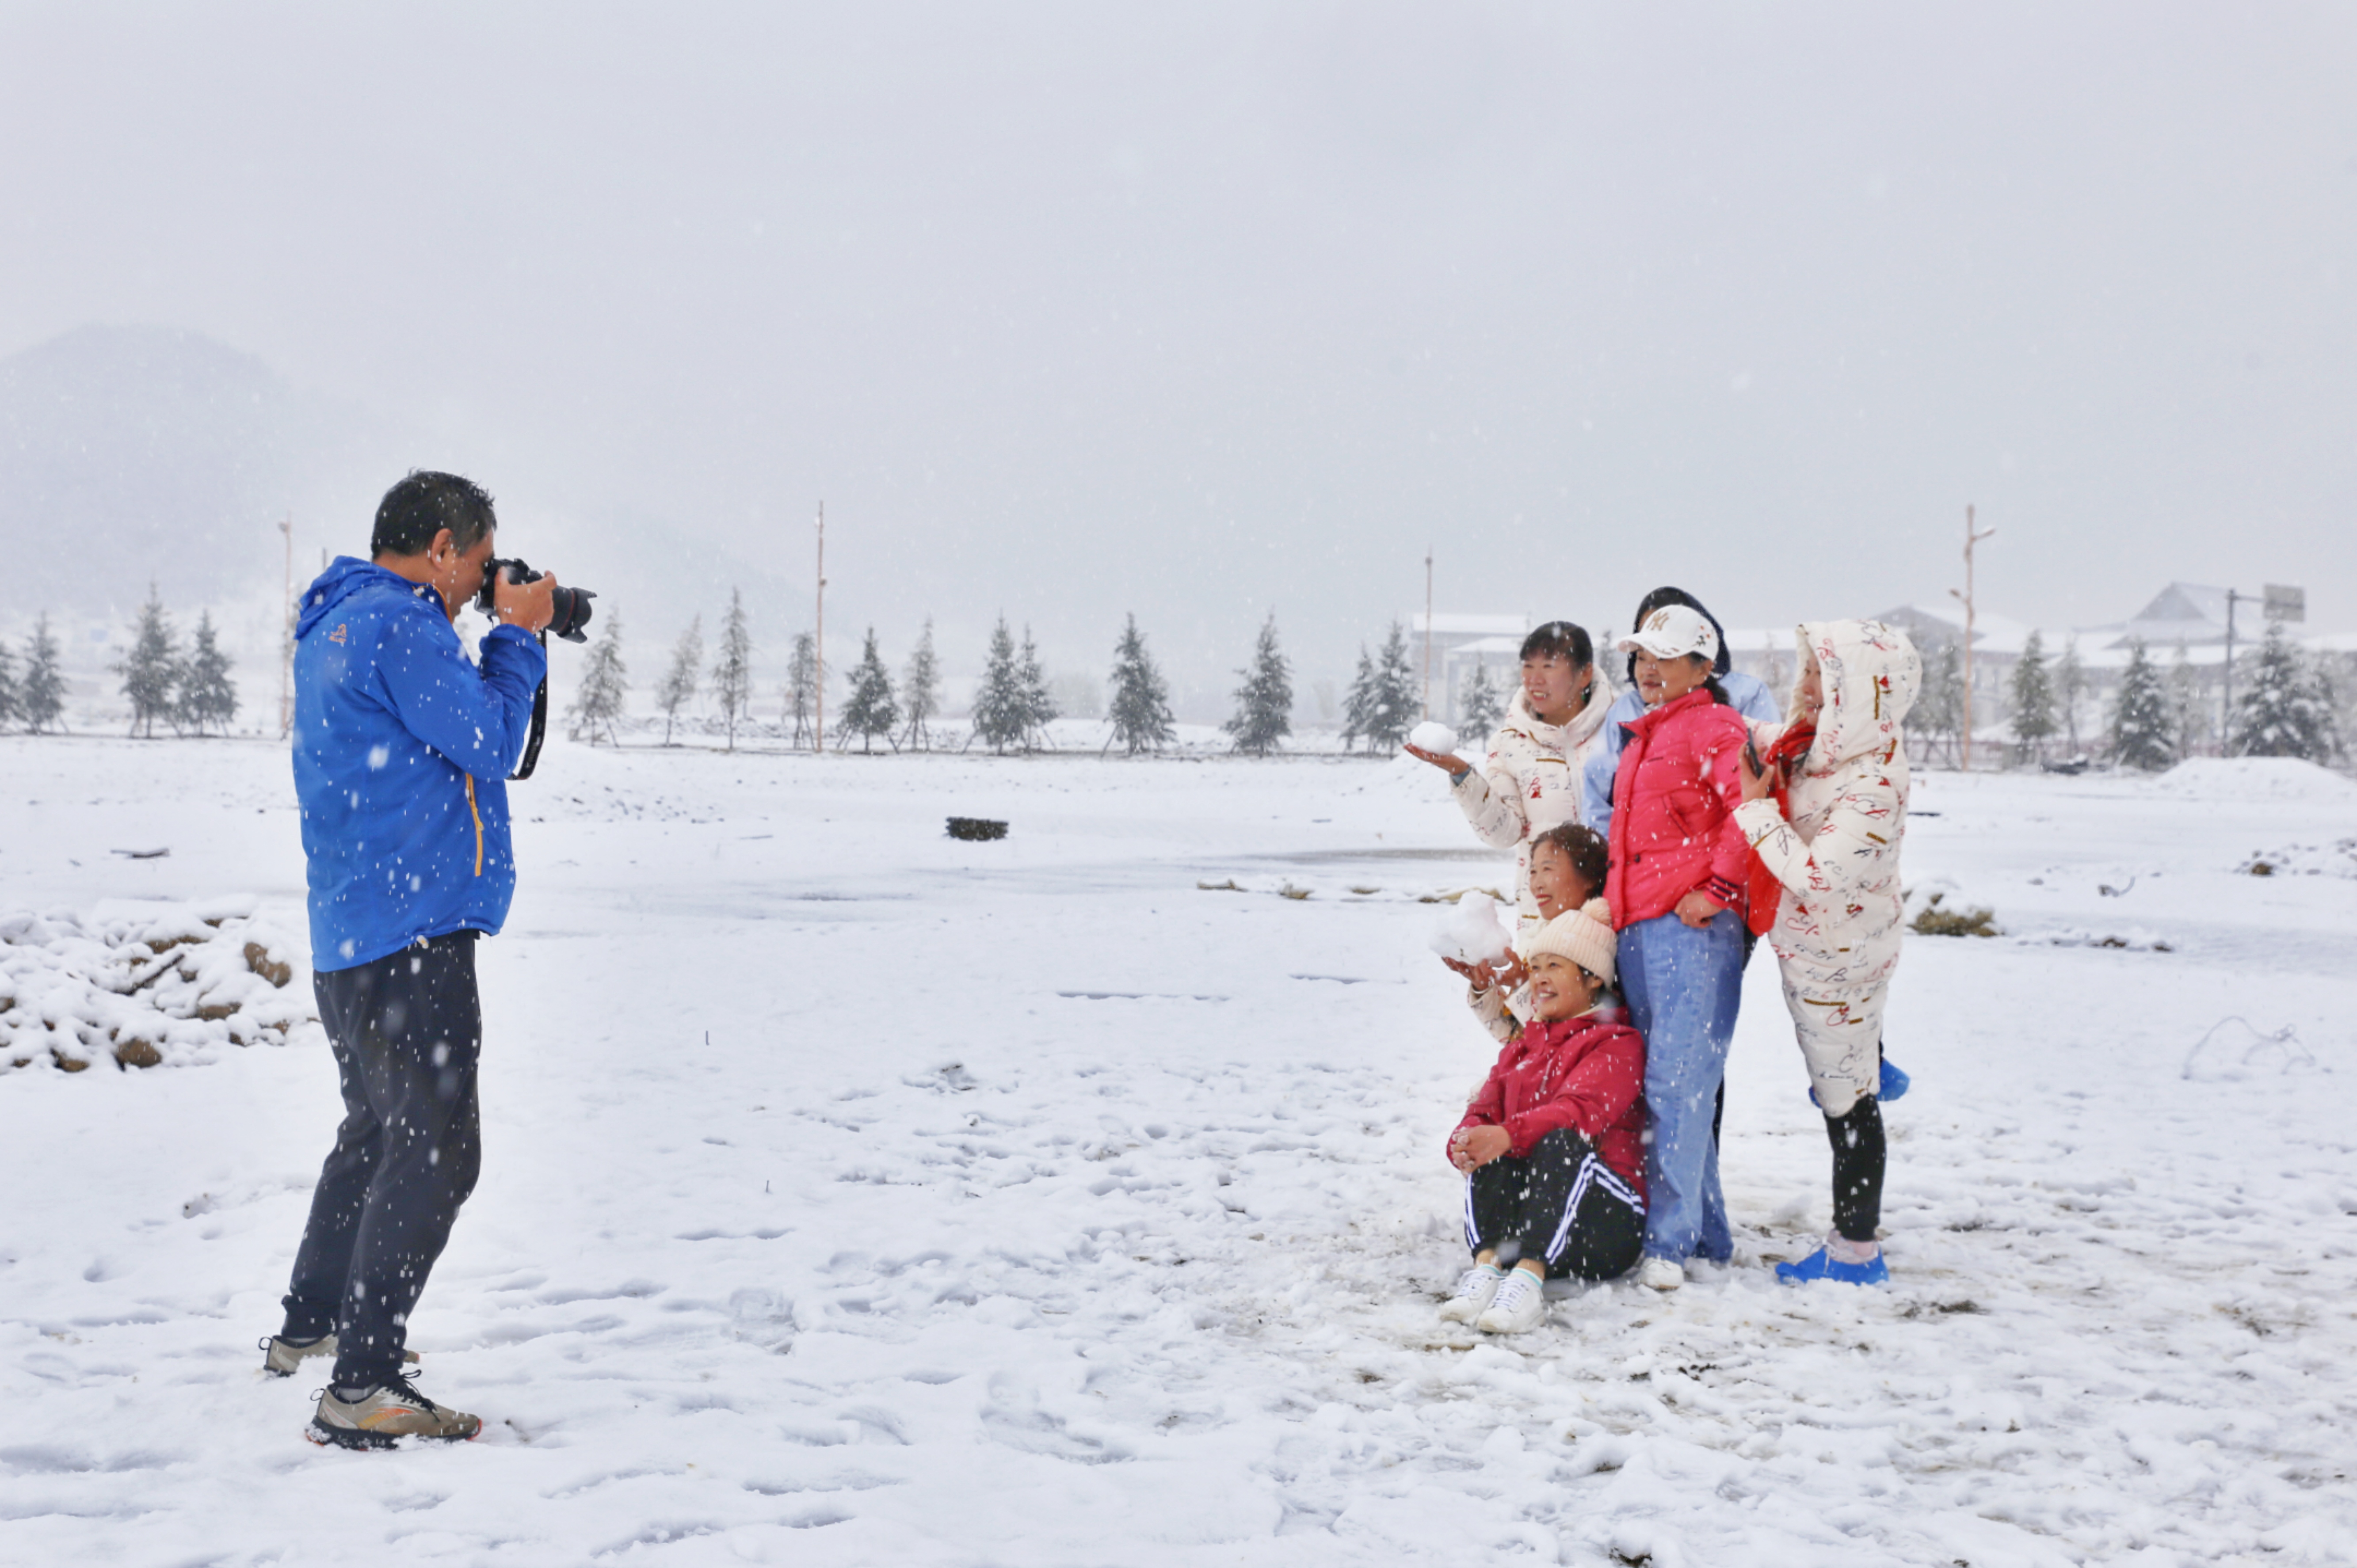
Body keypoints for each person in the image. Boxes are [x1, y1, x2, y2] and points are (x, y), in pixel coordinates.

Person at [260, 471, 557, 1448]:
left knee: (375, 1132)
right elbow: (493, 739)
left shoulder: (340, 622)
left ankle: (314, 1322)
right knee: (438, 1152)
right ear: (440, 547)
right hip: (412, 935)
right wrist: (518, 637)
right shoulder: (400, 624)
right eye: (478, 563)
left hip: (353, 933)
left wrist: (503, 628)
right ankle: (363, 1385)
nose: (479, 584)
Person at [1735, 620, 1921, 1286]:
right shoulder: (1823, 747)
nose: (1809, 687)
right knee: (1850, 1064)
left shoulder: (1873, 786)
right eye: (1809, 670)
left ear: (1865, 693)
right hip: (1838, 946)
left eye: (1826, 677)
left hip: (1837, 962)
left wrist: (1756, 811)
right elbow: (1766, 738)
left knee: (1846, 1107)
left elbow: (1817, 875)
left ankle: (1855, 1252)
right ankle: (1869, 1060)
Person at [1604, 603, 1752, 1292]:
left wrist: (1718, 888)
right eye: (1641, 656)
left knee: (1678, 1087)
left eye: (1663, 657)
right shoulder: (1645, 735)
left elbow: (1750, 811)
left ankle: (1667, 1243)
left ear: (1703, 665)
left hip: (1691, 932)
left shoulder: (1716, 726)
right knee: (1672, 1088)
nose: (1647, 669)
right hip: (1639, 928)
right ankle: (1706, 1236)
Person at [1438, 900, 1647, 1334]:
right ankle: (1488, 1268)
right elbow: (1483, 1109)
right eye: (1534, 967)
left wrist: (1506, 1135)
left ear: (1592, 978)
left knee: (1559, 1139)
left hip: (1604, 1227)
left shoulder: (1617, 1043)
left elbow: (1578, 1113)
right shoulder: (1523, 1046)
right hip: (1539, 1220)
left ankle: (1528, 1282)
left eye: (1554, 965)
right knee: (1488, 1135)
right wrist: (1466, 1141)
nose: (1539, 978)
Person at [1405, 622, 1611, 941]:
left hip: (1614, 905)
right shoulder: (1510, 744)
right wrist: (1462, 774)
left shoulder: (1621, 733)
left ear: (1584, 674)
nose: (1534, 678)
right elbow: (1504, 832)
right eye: (1528, 666)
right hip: (1544, 917)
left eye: (1549, 666)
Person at [1583, 589, 1780, 839]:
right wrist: (1605, 852)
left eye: (1664, 651)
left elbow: (1753, 800)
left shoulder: (1740, 700)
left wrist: (1723, 862)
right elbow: (1598, 793)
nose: (1650, 667)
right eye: (1644, 649)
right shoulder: (1626, 710)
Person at [1445, 822, 1608, 1045]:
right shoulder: (1542, 936)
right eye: (1533, 872)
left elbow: (1557, 1040)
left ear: (1589, 878)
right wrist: (1483, 988)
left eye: (1548, 870)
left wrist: (1525, 984)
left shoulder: (1593, 943)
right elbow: (1517, 1037)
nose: (1536, 884)